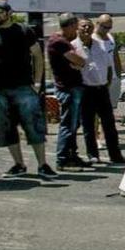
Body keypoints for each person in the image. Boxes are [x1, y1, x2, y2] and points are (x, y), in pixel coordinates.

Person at [0, 0, 57, 179]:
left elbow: (38, 56)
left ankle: (43, 165)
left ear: (8, 13)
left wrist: (37, 83)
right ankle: (19, 165)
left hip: (23, 87)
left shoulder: (24, 31)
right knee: (5, 129)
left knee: (34, 126)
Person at [73, 19, 125, 164]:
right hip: (85, 90)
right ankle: (93, 155)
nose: (86, 29)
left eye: (89, 27)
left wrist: (107, 83)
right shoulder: (73, 46)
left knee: (109, 124)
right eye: (83, 26)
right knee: (89, 125)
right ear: (77, 28)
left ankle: (115, 155)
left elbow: (109, 67)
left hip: (102, 88)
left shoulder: (100, 45)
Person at [46, 13, 91, 170]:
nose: (77, 31)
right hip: (68, 88)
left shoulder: (64, 41)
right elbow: (79, 60)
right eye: (76, 27)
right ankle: (63, 159)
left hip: (72, 86)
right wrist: (80, 62)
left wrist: (78, 63)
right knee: (68, 124)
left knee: (73, 123)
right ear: (71, 26)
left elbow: (78, 63)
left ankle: (72, 155)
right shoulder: (59, 42)